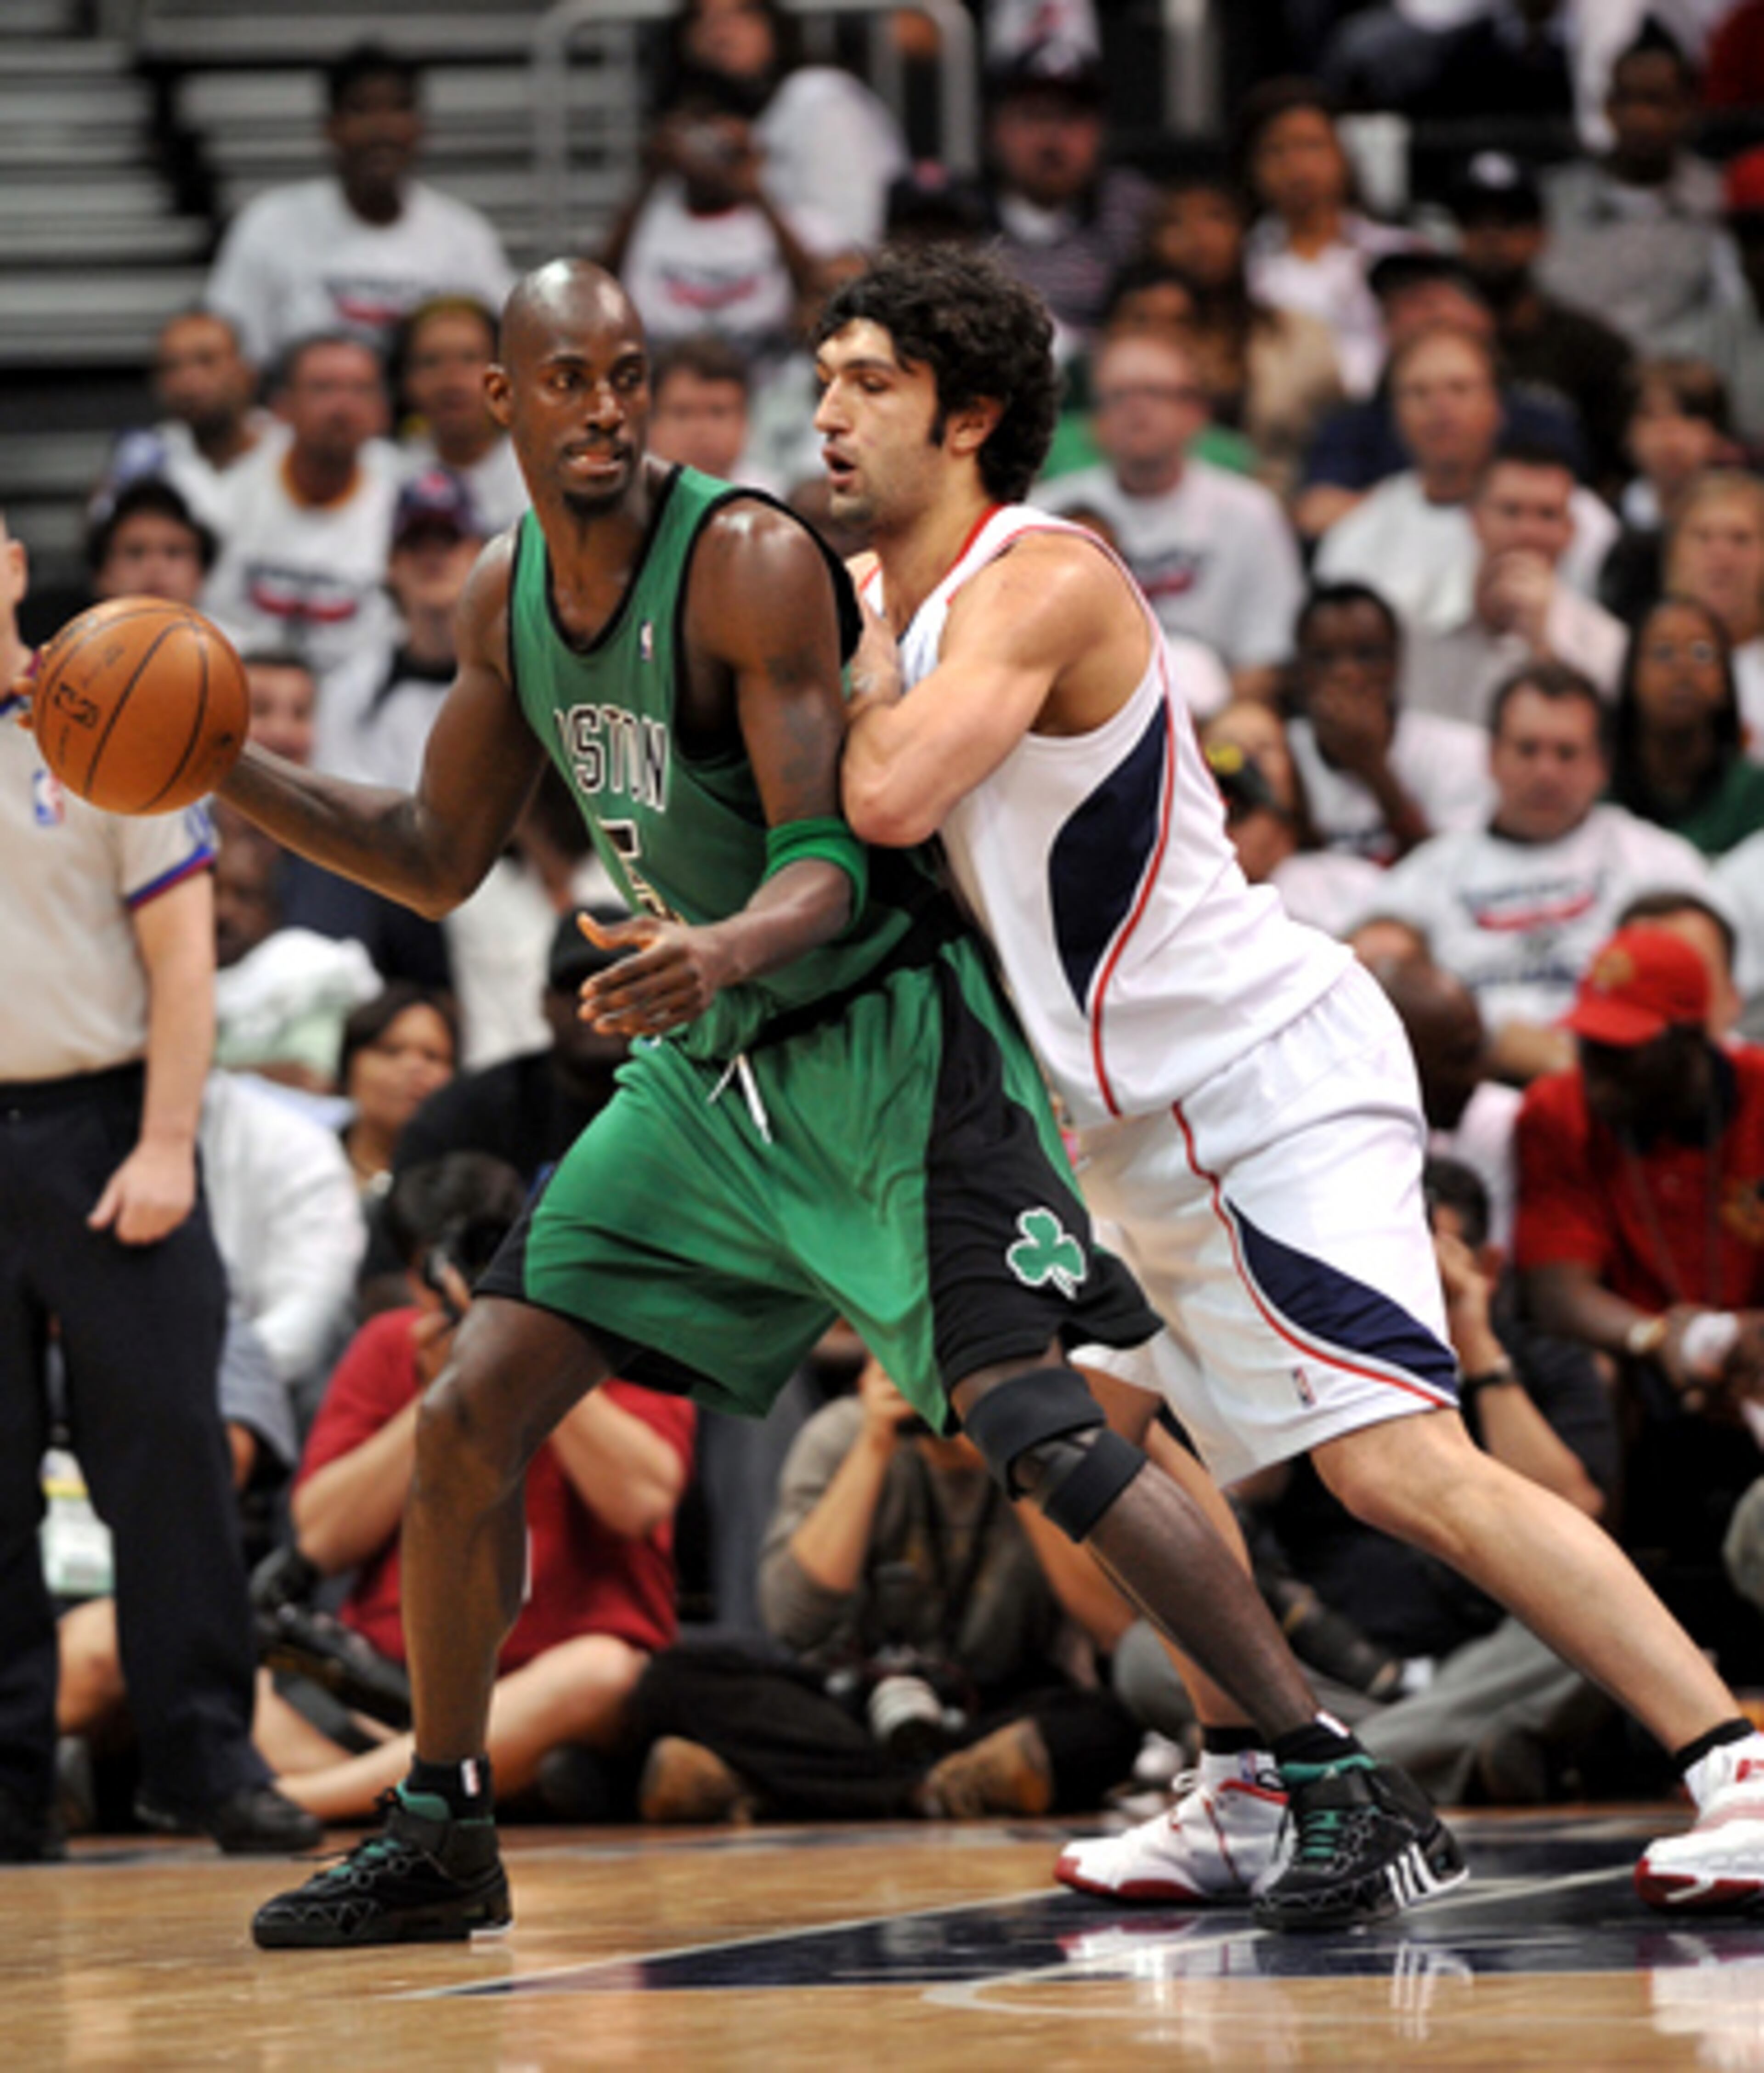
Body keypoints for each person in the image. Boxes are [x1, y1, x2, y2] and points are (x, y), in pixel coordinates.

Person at [219, 259, 1444, 1946]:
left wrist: (716, 947)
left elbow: (835, 853)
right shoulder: (501, 592)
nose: (603, 408)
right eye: (565, 379)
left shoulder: (740, 558)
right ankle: (441, 1824)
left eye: (627, 373)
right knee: (469, 1408)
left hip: (883, 1039)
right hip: (711, 1077)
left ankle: (1332, 1774)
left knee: (1038, 1424)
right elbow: (433, 857)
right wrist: (218, 762)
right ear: (498, 400)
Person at [820, 241, 1764, 1917]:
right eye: (823, 376)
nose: (828, 410)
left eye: (870, 382)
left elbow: (885, 794)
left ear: (967, 418)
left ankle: (1732, 1759)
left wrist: (858, 658)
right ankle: (1252, 1777)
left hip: (1252, 1078)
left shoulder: (1038, 578)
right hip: (1123, 1115)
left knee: (1391, 1463)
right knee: (1084, 1428)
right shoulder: (905, 603)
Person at [0, 510, 321, 1861]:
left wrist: (165, 1141)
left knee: (169, 1459)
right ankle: (9, 1784)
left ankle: (207, 1757)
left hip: (107, 1121)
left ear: (14, 569)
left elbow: (184, 959)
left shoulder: (104, 713)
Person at [260, 1153, 695, 1824]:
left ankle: (310, 1802)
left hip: (563, 1679)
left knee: (601, 1672)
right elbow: (321, 1537)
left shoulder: (621, 1333)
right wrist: (445, 1396)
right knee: (250, 1693)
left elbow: (641, 1503)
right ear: (416, 1277)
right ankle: (481, 1787)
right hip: (395, 1686)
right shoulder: (389, 1346)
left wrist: (533, 1360)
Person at [631, 1354, 1142, 1826]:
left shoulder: (1039, 1448)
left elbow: (1112, 1628)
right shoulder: (841, 1433)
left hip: (987, 1705)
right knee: (671, 1679)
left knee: (1110, 1722)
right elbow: (793, 1621)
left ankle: (783, 1789)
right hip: (845, 1702)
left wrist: (1013, 1461)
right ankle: (938, 1790)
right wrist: (874, 1444)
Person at [1514, 925, 1764, 1682]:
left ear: (1691, 1041)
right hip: (1645, 1367)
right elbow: (1556, 1290)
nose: (1596, 1067)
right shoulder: (1559, 1110)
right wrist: (1663, 1339)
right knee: (1588, 1372)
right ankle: (1586, 1641)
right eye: (1590, 1043)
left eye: (1622, 1049)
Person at [1366, 661, 1712, 1084]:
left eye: (1567, 753)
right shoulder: (1430, 872)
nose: (1546, 772)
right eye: (1527, 750)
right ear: (1492, 757)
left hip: (1620, 1085)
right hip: (1471, 1084)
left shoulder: (1660, 862)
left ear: (1602, 764)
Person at [204, 41, 514, 371]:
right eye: (361, 109)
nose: (382, 128)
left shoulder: (464, 234)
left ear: (420, 127)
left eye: (399, 108)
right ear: (330, 128)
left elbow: (512, 351)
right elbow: (227, 354)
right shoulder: (271, 225)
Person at [200, 332, 402, 685]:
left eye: (361, 390)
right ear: (282, 408)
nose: (342, 407)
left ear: (383, 411)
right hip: (240, 690)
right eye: (323, 389)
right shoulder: (228, 494)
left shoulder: (408, 498)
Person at [1401, 436, 1629, 728]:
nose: (1528, 532)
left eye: (1547, 515)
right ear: (1474, 519)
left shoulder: (1607, 642)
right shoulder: (1409, 615)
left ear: (1570, 531)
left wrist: (1542, 644)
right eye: (1511, 511)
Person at [1286, 581, 1492, 864]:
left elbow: (1455, 876)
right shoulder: (1280, 752)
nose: (1346, 673)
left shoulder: (1461, 752)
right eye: (1323, 658)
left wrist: (1374, 770)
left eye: (1366, 655)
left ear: (1396, 663)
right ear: (1299, 670)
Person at [1606, 595, 1764, 856]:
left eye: (1702, 653)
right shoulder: (1598, 794)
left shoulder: (1754, 795)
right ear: (1631, 676)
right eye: (1663, 652)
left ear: (1725, 680)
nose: (1683, 668)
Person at [98, 309, 274, 532]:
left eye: (206, 361)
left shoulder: (291, 450)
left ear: (247, 373)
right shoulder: (145, 459)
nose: (187, 380)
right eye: (171, 367)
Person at [391, 297, 527, 538]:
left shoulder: (545, 473)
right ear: (406, 380)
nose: (452, 380)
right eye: (431, 362)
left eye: (470, 358)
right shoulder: (385, 474)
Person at [85, 476, 216, 611]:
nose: (155, 567)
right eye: (136, 553)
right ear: (102, 575)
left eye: (173, 552)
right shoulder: (78, 626)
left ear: (201, 573)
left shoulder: (221, 626)